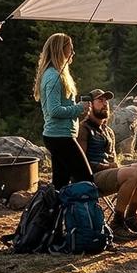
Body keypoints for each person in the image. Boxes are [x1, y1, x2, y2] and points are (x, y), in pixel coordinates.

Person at [76, 89, 137, 243]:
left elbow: (113, 159)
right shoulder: (83, 129)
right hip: (90, 178)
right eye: (100, 101)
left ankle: (131, 217)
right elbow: (81, 163)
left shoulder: (107, 131)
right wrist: (108, 167)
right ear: (90, 105)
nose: (105, 104)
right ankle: (117, 223)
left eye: (106, 101)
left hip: (109, 173)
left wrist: (114, 166)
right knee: (132, 174)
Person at [33, 33, 92, 190]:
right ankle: (82, 213)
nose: (73, 51)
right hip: (60, 136)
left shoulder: (57, 73)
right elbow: (54, 110)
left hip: (59, 135)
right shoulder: (53, 76)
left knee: (61, 182)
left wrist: (78, 111)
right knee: (86, 178)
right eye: (70, 48)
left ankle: (55, 213)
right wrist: (79, 108)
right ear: (61, 49)